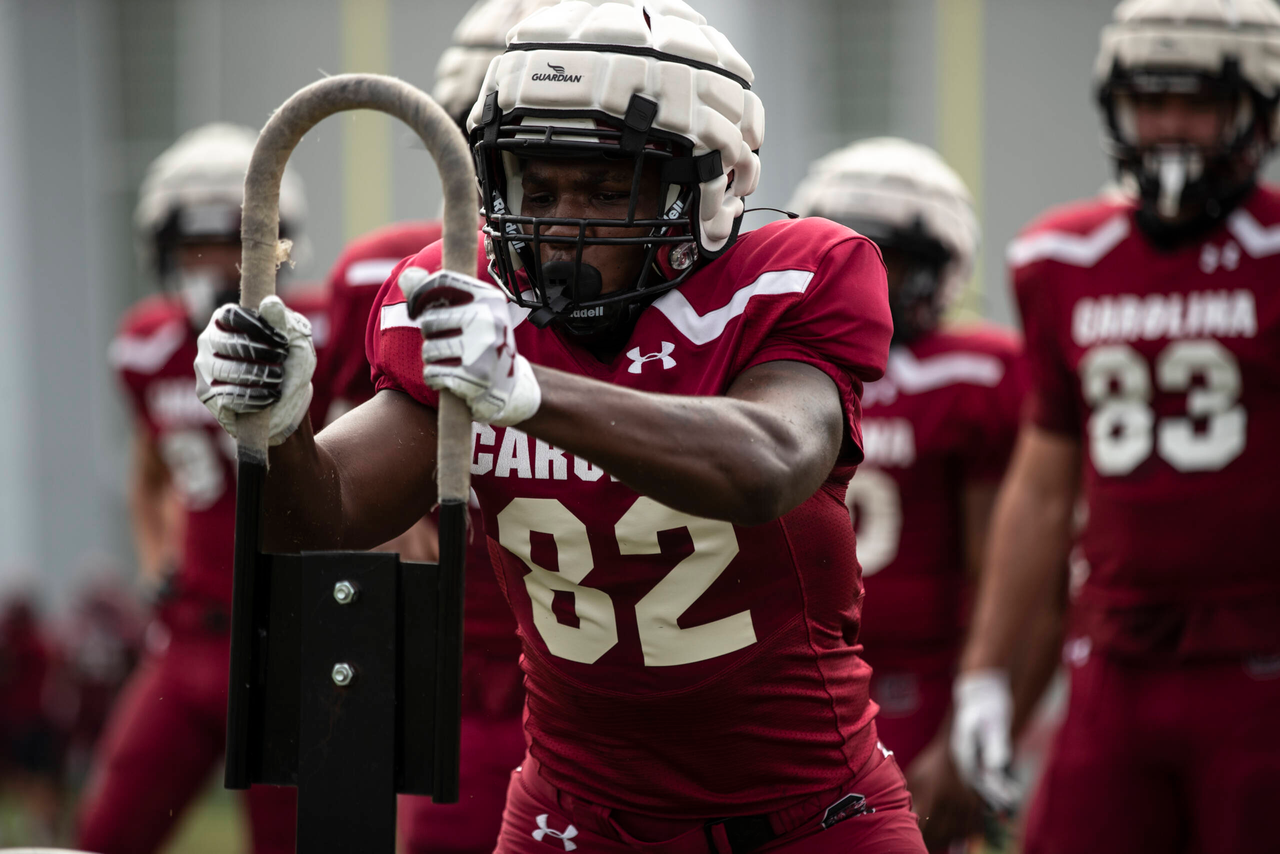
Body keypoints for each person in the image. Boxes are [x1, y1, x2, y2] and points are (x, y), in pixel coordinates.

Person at [195, 1, 926, 851]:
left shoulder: (798, 275)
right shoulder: (462, 293)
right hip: (574, 812)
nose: (558, 225)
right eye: (534, 189)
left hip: (811, 814)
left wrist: (525, 388)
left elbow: (767, 465)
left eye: (607, 189)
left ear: (711, 184)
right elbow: (327, 520)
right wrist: (275, 429)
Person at [951, 2, 1280, 852]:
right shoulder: (1059, 259)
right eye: (1150, 99)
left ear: (1258, 108)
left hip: (1258, 655)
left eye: (1198, 101)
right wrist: (985, 672)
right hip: (1116, 657)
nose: (1170, 125)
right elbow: (1042, 478)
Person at [788, 138, 1063, 851]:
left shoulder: (973, 374)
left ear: (939, 267)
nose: (866, 283)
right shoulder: (780, 372)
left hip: (920, 692)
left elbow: (1016, 580)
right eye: (845, 258)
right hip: (794, 687)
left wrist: (975, 733)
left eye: (891, 260)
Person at [80, 123, 306, 854]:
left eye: (232, 247)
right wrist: (155, 561)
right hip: (189, 633)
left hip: (286, 640)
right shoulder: (145, 346)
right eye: (195, 248)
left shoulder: (321, 334)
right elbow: (152, 468)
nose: (212, 266)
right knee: (106, 834)